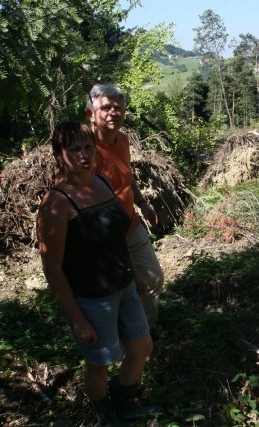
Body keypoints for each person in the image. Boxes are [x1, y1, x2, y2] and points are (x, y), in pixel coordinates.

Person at [37, 122, 158, 426]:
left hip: (125, 285)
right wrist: (77, 319)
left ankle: (125, 402)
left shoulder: (102, 183)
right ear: (58, 155)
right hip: (92, 299)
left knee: (142, 348)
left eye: (87, 147)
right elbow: (52, 268)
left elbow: (118, 237)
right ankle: (105, 416)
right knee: (100, 365)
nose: (83, 155)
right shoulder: (57, 202)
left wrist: (137, 276)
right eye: (73, 149)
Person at [85, 84, 164, 330]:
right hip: (104, 236)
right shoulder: (84, 149)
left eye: (117, 108)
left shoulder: (123, 140)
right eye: (105, 107)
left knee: (153, 278)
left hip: (131, 224)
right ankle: (123, 338)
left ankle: (146, 335)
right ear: (91, 114)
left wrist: (142, 203)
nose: (113, 113)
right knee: (122, 287)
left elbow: (126, 177)